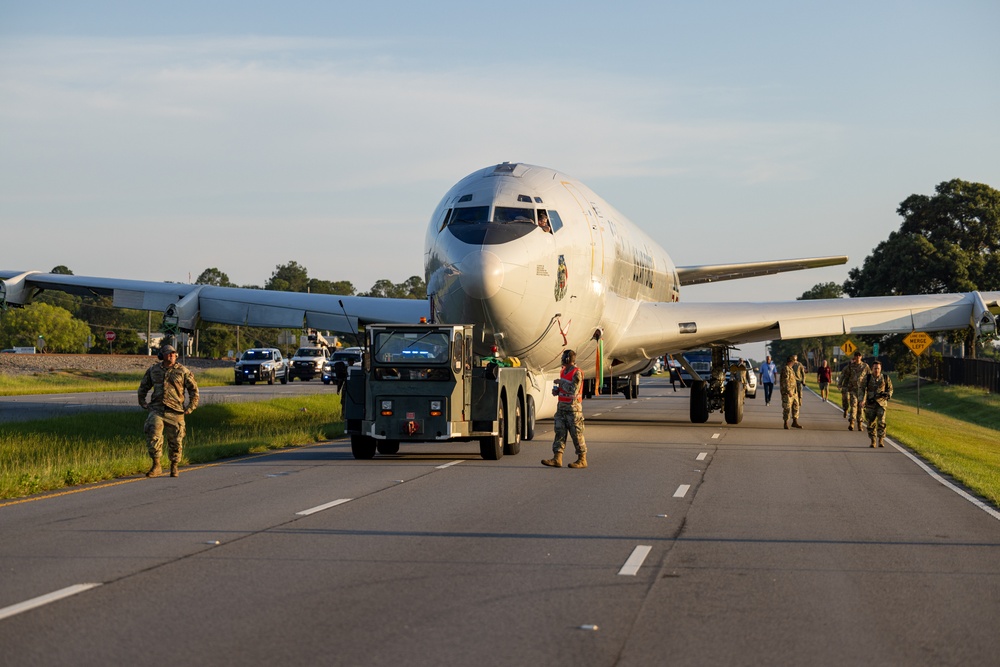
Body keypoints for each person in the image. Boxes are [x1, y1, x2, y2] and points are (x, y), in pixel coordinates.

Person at [138, 343, 199, 478]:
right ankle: (156, 465)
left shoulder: (183, 371)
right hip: (157, 409)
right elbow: (143, 386)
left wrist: (190, 408)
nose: (171, 356)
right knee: (153, 434)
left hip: (176, 411)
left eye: (173, 354)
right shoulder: (153, 370)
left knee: (176, 440)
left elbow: (194, 391)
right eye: (168, 353)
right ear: (162, 356)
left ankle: (174, 466)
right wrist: (142, 401)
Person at [542, 348, 587, 468]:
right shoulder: (563, 371)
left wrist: (561, 383)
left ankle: (582, 459)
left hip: (573, 409)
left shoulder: (577, 373)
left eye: (563, 357)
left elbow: (573, 389)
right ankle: (557, 458)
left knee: (576, 434)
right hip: (561, 408)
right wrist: (557, 390)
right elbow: (564, 388)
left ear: (567, 359)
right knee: (559, 432)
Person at [860, 360, 893, 448]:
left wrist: (888, 394)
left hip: (881, 404)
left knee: (881, 422)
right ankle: (873, 440)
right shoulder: (867, 378)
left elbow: (890, 389)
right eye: (875, 368)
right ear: (872, 368)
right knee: (870, 423)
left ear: (880, 369)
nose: (876, 370)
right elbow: (861, 389)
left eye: (878, 368)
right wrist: (861, 400)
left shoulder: (885, 378)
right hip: (870, 404)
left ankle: (881, 440)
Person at [840, 351, 870, 432]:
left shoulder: (865, 366)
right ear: (854, 357)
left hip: (862, 390)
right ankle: (852, 423)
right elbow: (845, 376)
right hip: (853, 389)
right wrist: (842, 385)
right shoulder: (850, 366)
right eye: (856, 356)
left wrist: (870, 387)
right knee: (853, 406)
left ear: (861, 357)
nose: (858, 357)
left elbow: (869, 376)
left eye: (859, 356)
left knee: (861, 407)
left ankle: (860, 424)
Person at [779, 354, 802, 429]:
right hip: (787, 392)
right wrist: (789, 391)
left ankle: (795, 422)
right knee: (787, 408)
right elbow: (785, 381)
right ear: (791, 361)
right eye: (794, 361)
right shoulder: (786, 369)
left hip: (794, 392)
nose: (795, 362)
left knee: (796, 406)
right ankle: (785, 423)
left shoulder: (791, 369)